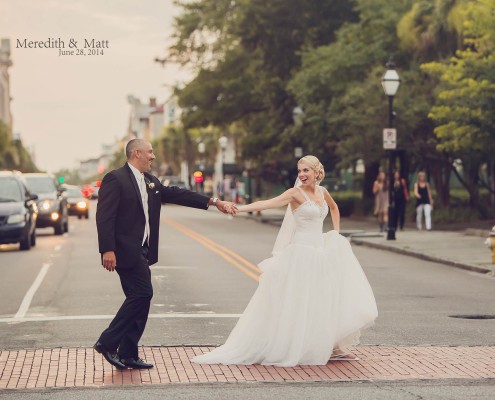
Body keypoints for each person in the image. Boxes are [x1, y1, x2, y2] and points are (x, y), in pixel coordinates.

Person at [192, 155, 378, 367]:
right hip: (300, 254)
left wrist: (336, 233)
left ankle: (331, 346)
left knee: (323, 299)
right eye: (299, 171)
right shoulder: (294, 194)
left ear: (317, 172)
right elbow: (268, 203)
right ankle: (290, 345)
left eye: (306, 170)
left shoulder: (323, 192)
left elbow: (334, 208)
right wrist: (239, 208)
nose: (301, 175)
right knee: (296, 301)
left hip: (320, 253)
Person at [94, 139, 236, 370]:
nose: (153, 156)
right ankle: (107, 342)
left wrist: (214, 202)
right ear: (137, 153)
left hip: (142, 250)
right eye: (150, 152)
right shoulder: (115, 178)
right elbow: (105, 216)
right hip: (123, 251)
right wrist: (107, 249)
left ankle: (128, 353)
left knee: (139, 299)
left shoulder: (151, 181)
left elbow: (178, 194)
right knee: (142, 294)